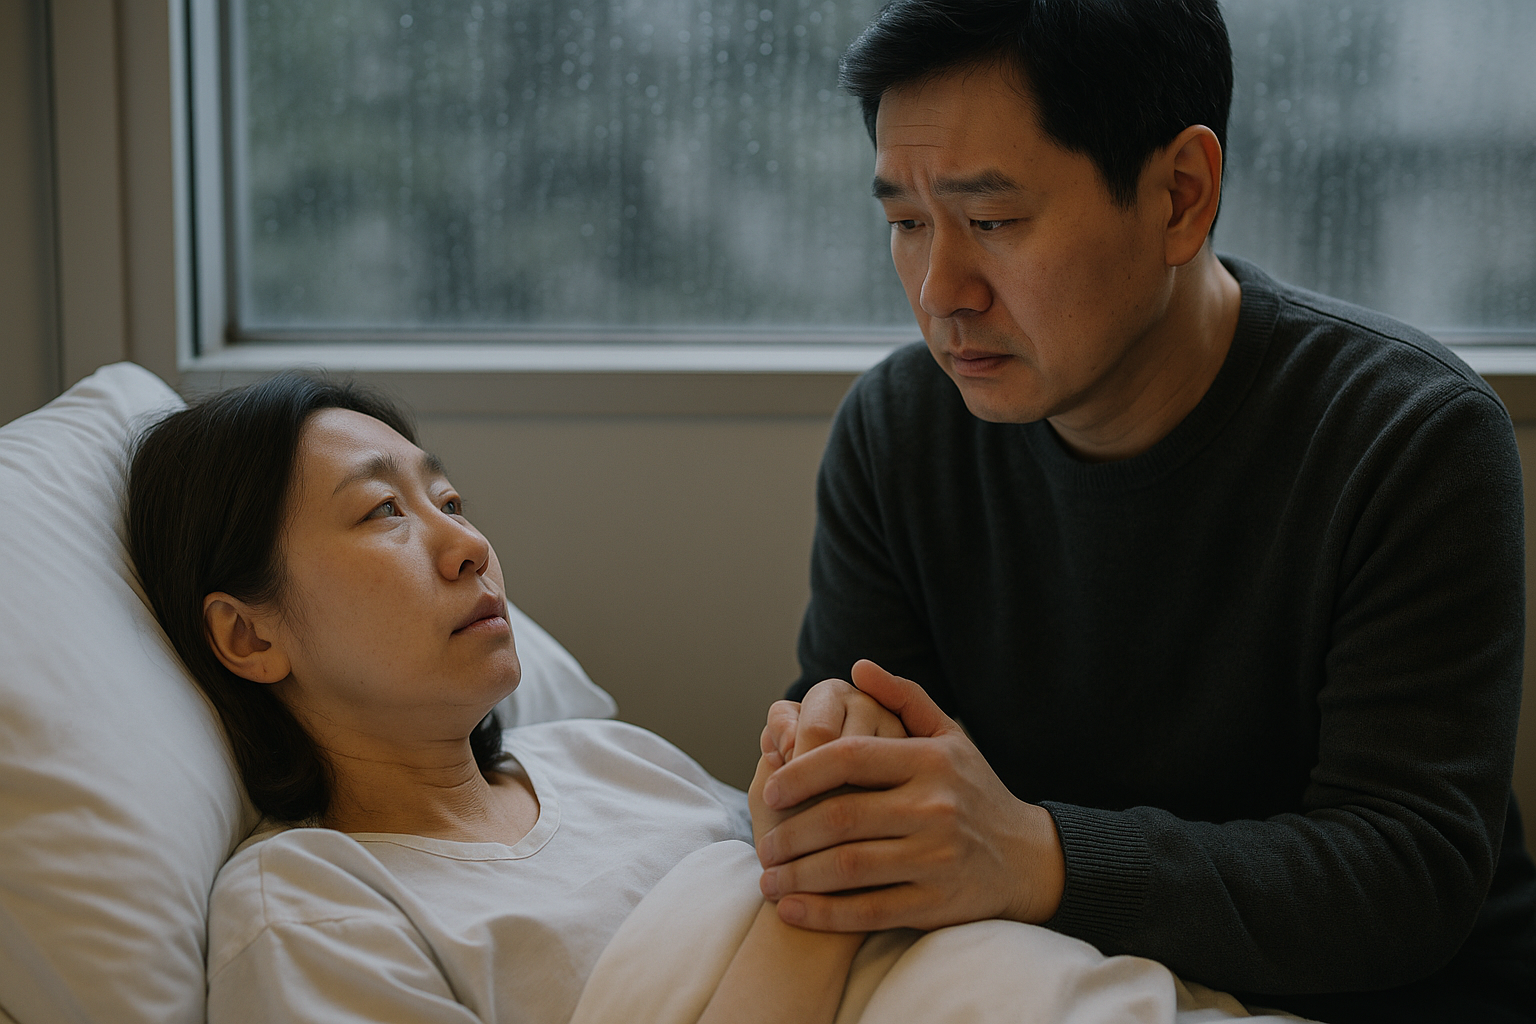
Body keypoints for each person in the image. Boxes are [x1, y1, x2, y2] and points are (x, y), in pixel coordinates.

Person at [751, 1, 1536, 1022]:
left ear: (1179, 196)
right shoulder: (899, 430)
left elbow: (1408, 873)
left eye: (992, 221)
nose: (940, 291)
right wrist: (822, 771)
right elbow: (870, 772)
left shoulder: (1408, 435)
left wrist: (1041, 856)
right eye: (906, 223)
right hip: (1052, 985)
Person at [124, 373, 869, 1024]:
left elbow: (825, 857)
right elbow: (818, 888)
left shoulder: (610, 756)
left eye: (450, 501)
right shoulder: (309, 909)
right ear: (249, 635)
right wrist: (826, 895)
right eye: (383, 511)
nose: (470, 546)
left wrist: (839, 780)